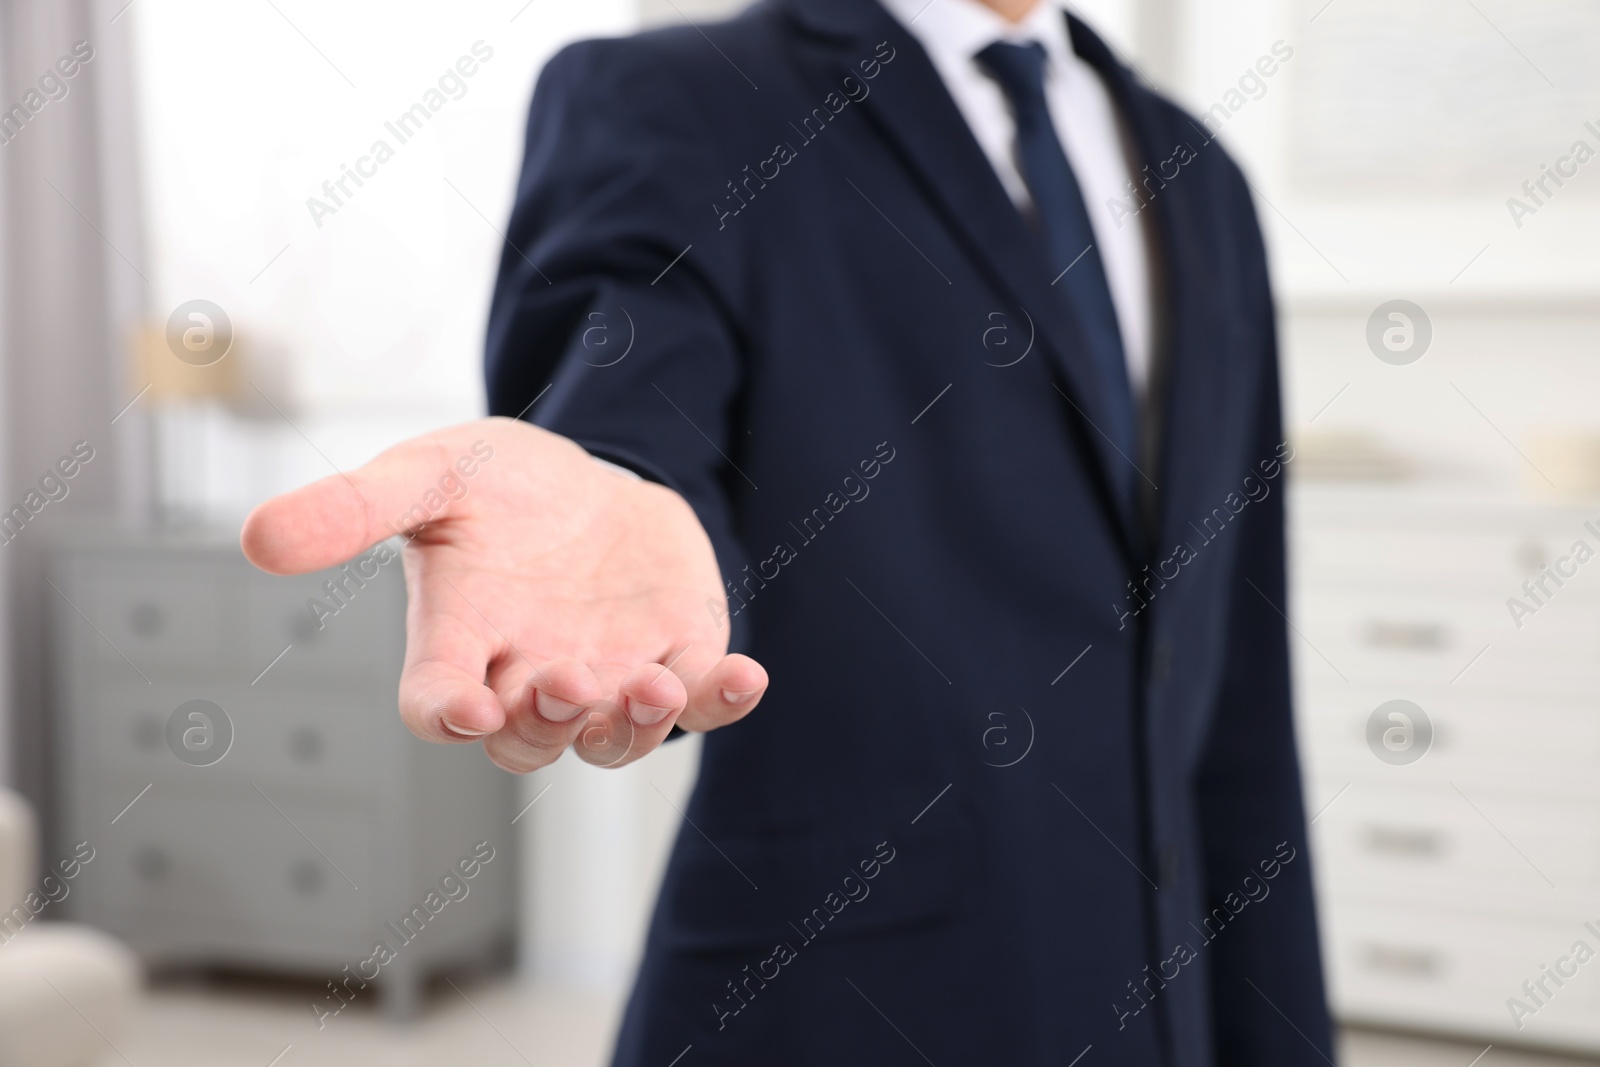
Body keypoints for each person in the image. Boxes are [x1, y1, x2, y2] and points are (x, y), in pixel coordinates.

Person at [241, 0, 1333, 1062]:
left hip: (1163, 1001)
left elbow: (1237, 664)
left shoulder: (1200, 173)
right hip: (840, 991)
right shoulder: (680, 95)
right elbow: (629, 390)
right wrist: (622, 477)